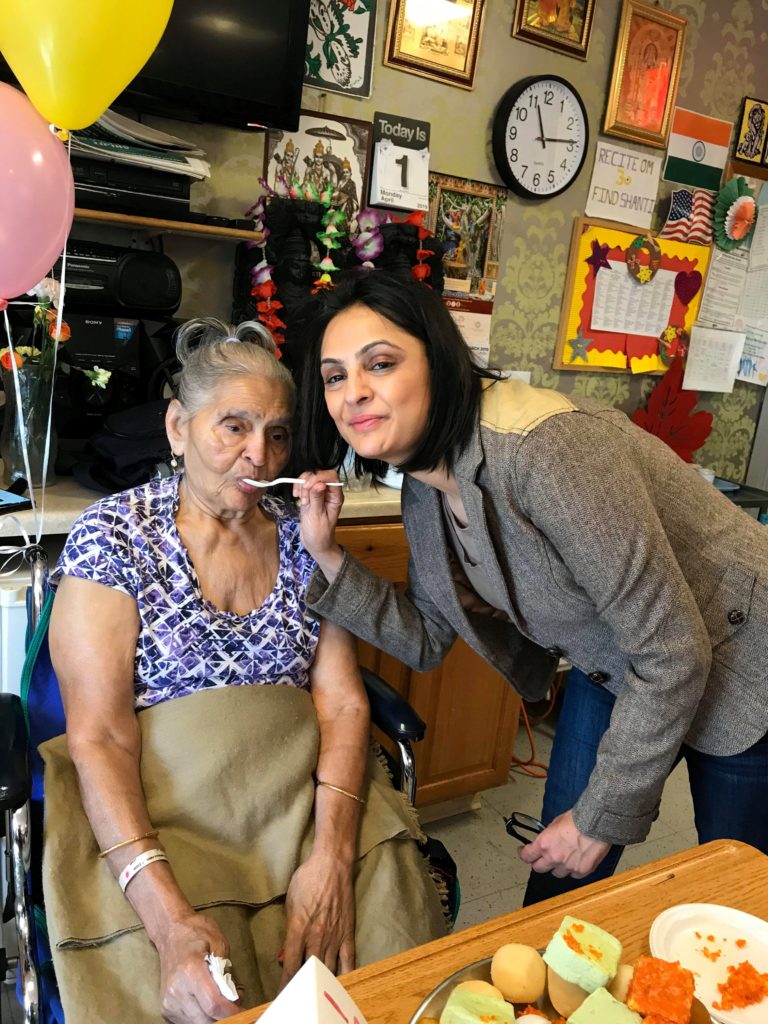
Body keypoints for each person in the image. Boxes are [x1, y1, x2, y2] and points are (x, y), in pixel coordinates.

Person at [292, 270, 768, 907]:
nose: (354, 393)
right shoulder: (425, 490)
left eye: (379, 363)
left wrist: (600, 819)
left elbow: (675, 650)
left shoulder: (548, 451)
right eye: (334, 376)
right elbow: (430, 637)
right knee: (559, 883)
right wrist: (327, 554)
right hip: (622, 667)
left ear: (438, 362)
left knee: (733, 896)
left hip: (742, 657)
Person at [43, 316, 447, 1024]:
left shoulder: (302, 541)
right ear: (178, 428)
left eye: (279, 434)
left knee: (390, 970)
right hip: (167, 815)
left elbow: (345, 708)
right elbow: (101, 739)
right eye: (233, 427)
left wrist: (330, 856)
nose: (259, 456)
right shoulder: (113, 538)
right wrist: (168, 923)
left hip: (301, 803)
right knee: (194, 988)